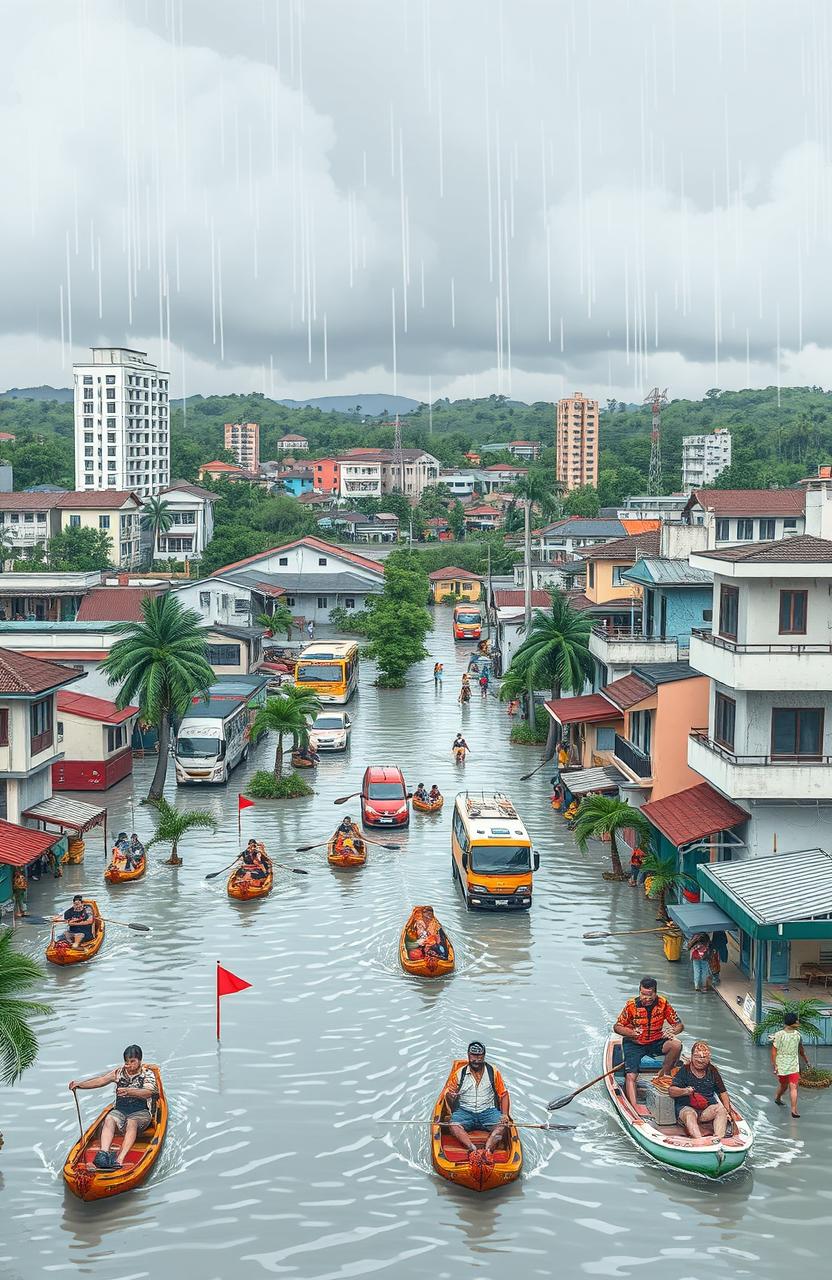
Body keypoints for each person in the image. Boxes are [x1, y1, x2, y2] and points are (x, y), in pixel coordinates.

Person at [69, 1045, 158, 1170]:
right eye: (127, 1062)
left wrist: (129, 1091)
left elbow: (149, 1092)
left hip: (140, 1112)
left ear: (139, 1061)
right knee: (109, 1119)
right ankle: (103, 1155)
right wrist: (80, 1085)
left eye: (133, 1062)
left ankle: (119, 1159)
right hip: (120, 1111)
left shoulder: (147, 1074)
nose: (129, 1065)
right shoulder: (119, 1072)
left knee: (131, 1123)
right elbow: (101, 1080)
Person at [614, 977, 684, 1109]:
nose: (646, 998)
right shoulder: (631, 1005)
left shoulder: (663, 1003)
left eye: (649, 994)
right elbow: (617, 1027)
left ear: (655, 993)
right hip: (635, 1043)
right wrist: (631, 1033)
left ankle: (664, 1074)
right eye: (643, 994)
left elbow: (679, 1025)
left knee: (676, 1044)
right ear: (639, 992)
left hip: (656, 1040)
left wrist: (673, 1031)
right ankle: (634, 1109)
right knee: (631, 1075)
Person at [444, 1041, 511, 1158]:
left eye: (479, 1057)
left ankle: (487, 1150)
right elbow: (448, 1098)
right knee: (453, 1124)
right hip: (465, 1112)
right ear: (468, 1055)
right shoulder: (459, 1074)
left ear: (484, 1056)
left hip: (488, 1112)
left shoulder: (493, 1072)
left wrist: (505, 1115)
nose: (476, 1060)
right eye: (473, 1056)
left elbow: (504, 1095)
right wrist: (451, 1096)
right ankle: (472, 1148)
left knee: (502, 1126)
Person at [668, 1040, 737, 1145]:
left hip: (706, 1110)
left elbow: (723, 1092)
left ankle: (718, 1139)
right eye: (697, 1057)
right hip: (686, 1107)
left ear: (709, 1058)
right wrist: (685, 1091)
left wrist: (728, 1111)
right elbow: (672, 1091)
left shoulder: (713, 1071)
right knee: (689, 1114)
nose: (700, 1060)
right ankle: (699, 1140)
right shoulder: (684, 1070)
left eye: (704, 1057)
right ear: (691, 1057)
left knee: (720, 1109)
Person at [771, 1010, 810, 1118]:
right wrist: (806, 1060)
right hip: (793, 1065)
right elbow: (801, 1050)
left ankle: (781, 1101)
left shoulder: (779, 1035)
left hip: (782, 1065)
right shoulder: (797, 1035)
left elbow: (774, 1052)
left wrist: (775, 1065)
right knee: (793, 1087)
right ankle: (792, 1109)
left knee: (784, 1085)